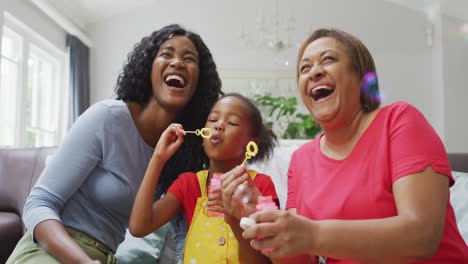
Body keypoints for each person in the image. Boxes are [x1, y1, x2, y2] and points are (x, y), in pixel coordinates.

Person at [224, 28, 468, 263]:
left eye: (328, 60)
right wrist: (258, 215)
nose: (314, 72)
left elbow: (422, 236)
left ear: (361, 77)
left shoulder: (398, 121)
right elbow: (300, 260)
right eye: (304, 68)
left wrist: (313, 235)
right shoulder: (302, 160)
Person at [7, 24, 222, 264]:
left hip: (106, 257)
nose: (177, 63)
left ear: (199, 82)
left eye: (188, 58)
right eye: (166, 54)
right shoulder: (107, 118)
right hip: (50, 251)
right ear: (148, 69)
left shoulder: (182, 153)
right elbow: (38, 204)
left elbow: (182, 232)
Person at [129, 93, 279, 264]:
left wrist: (236, 218)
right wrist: (158, 158)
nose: (219, 126)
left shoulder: (261, 185)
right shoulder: (188, 184)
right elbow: (139, 227)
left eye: (232, 123)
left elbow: (267, 258)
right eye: (213, 120)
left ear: (250, 145)